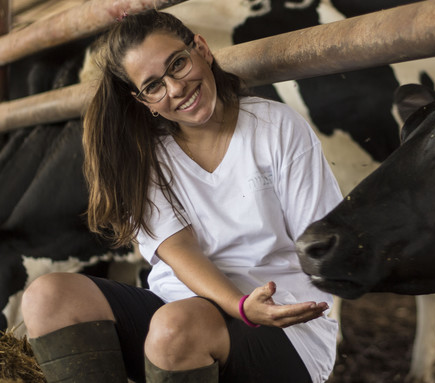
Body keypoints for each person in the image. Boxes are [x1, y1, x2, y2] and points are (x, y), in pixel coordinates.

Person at [21, 9, 342, 383]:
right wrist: (237, 305)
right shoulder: (145, 157)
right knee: (48, 295)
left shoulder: (277, 128)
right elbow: (180, 251)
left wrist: (251, 306)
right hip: (175, 318)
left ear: (202, 50)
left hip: (280, 323)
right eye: (153, 85)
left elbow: (320, 244)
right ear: (142, 100)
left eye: (177, 64)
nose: (175, 88)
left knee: (176, 329)